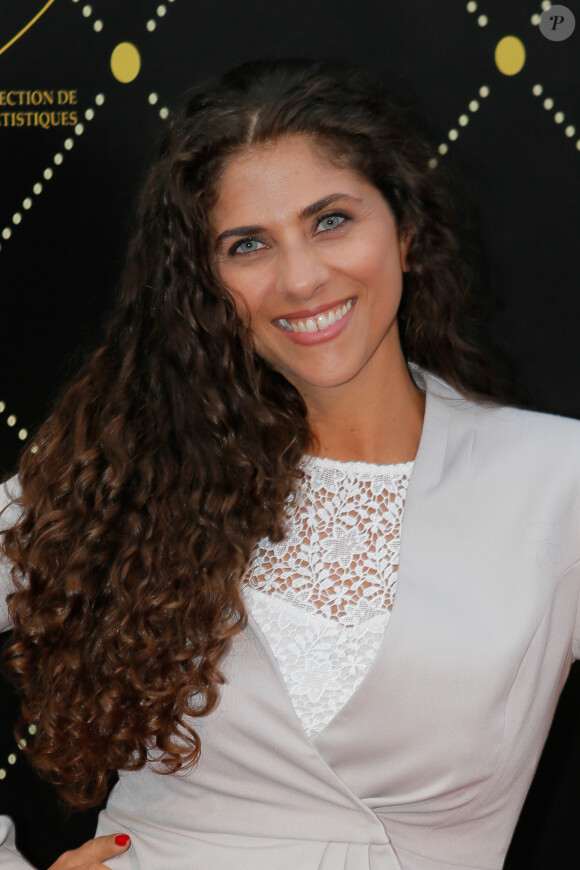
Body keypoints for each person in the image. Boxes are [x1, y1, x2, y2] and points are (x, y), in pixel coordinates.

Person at [1, 57, 580, 870]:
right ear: (207, 286)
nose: (302, 278)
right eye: (248, 245)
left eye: (331, 220)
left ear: (405, 231)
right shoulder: (128, 471)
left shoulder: (557, 481)